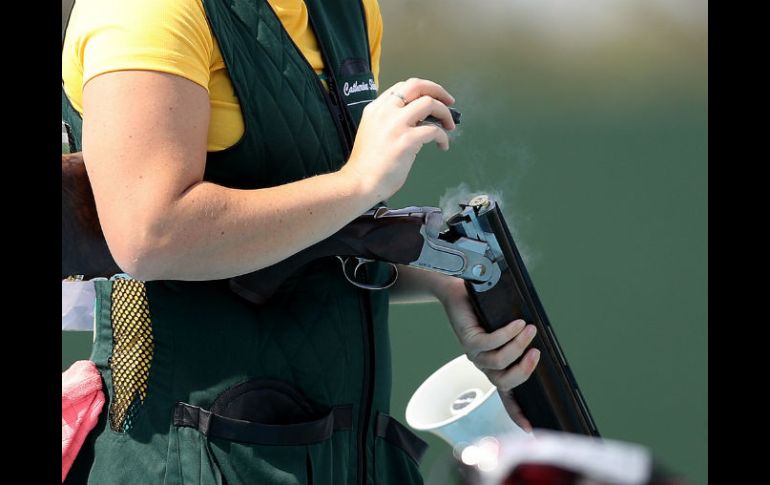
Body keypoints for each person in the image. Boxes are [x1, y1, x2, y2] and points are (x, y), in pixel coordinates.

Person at [61, 0, 541, 483]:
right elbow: (150, 236)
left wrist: (444, 278)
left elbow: (317, 226)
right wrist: (358, 183)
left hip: (350, 453)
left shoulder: (349, 9)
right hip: (185, 455)